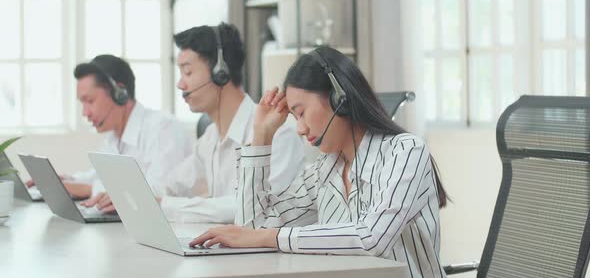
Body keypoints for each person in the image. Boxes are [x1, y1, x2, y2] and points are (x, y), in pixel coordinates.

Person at [191, 46, 448, 278]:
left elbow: (372, 237)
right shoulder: (324, 170)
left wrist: (271, 237)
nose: (300, 129)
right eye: (294, 118)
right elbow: (253, 228)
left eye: (301, 113)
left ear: (339, 98)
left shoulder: (405, 152)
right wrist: (262, 136)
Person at [158, 23, 305, 223]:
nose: (180, 84)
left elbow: (245, 208)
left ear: (221, 72)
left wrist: (164, 205)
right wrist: (137, 196)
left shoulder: (278, 133)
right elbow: (173, 183)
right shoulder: (210, 137)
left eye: (188, 72)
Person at [27, 54, 193, 213]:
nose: (85, 113)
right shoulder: (114, 136)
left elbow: (160, 191)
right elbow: (96, 176)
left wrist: (88, 189)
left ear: (120, 93)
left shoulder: (163, 128)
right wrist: (66, 182)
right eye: (82, 103)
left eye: (90, 101)